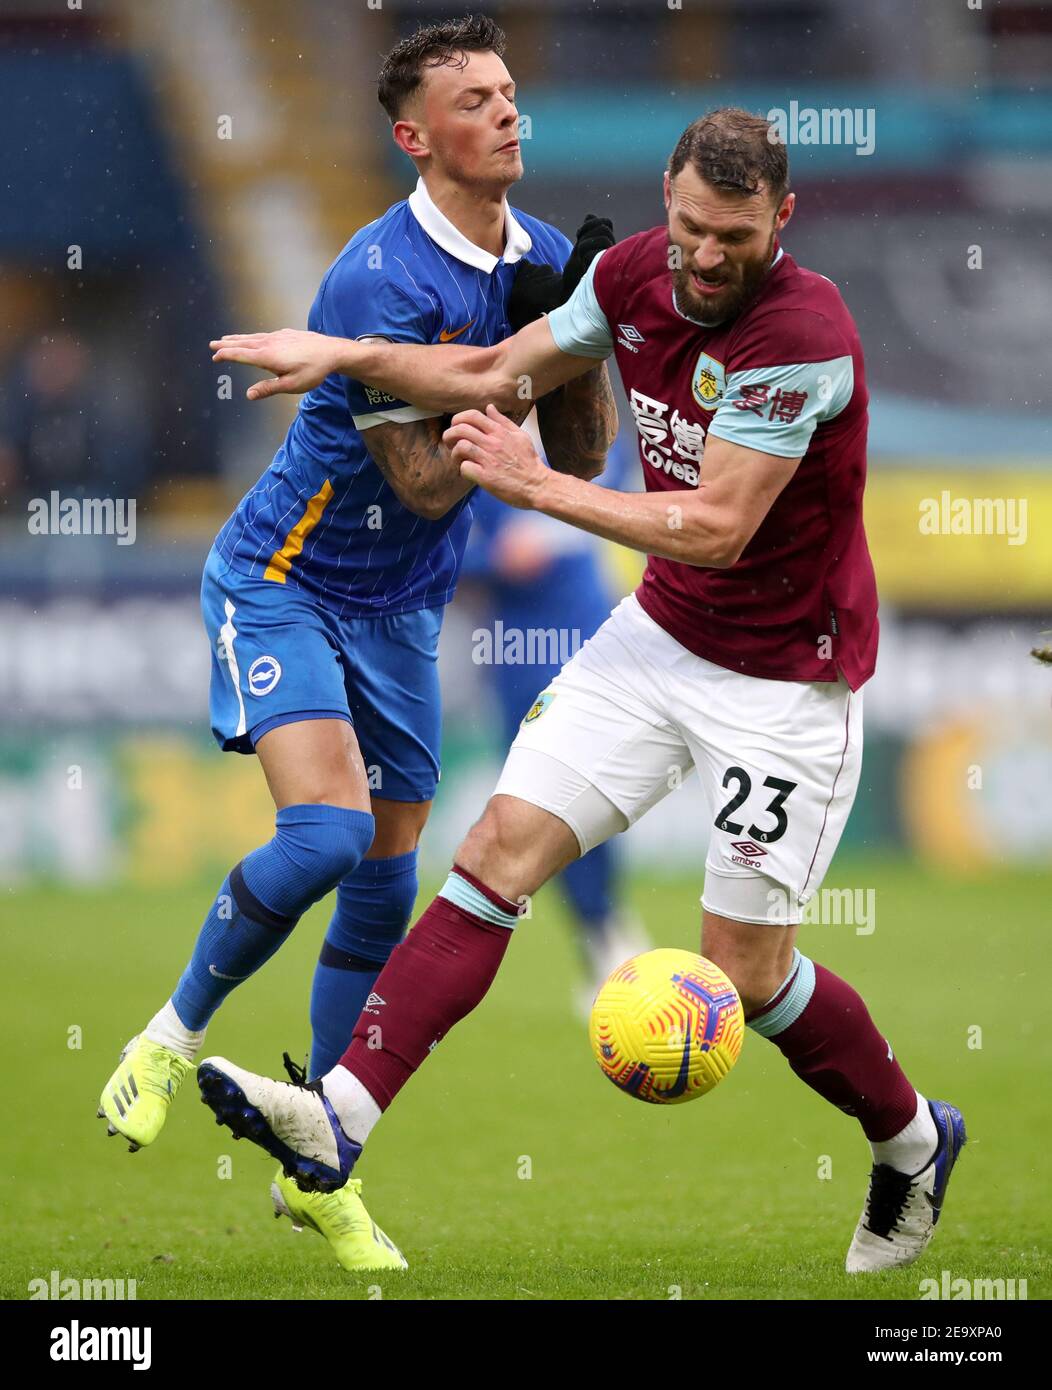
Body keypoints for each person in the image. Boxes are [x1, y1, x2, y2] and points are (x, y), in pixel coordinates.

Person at [202, 107, 966, 1274]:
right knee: (494, 848)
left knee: (748, 977)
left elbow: (711, 527)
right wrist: (347, 355)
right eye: (690, 229)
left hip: (781, 677)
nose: (705, 258)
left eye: (735, 237)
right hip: (656, 638)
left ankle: (910, 1140)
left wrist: (530, 483)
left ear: (783, 219)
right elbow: (500, 370)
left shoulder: (802, 332)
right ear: (665, 199)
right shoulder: (626, 275)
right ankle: (338, 1118)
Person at [97, 14, 616, 1274]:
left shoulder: (543, 256)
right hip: (287, 577)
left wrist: (572, 343)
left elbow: (586, 456)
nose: (505, 112)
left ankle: (323, 1161)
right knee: (325, 835)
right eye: (473, 99)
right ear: (412, 137)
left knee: (389, 878)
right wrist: (511, 373)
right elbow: (429, 482)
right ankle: (167, 1035)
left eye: (506, 91)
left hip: (402, 606)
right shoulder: (375, 278)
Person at [459, 424, 647, 1014]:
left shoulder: (591, 435)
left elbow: (618, 496)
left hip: (595, 642)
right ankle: (601, 934)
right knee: (538, 809)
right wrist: (494, 558)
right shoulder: (470, 439)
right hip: (518, 653)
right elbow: (440, 550)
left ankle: (607, 929)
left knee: (589, 799)